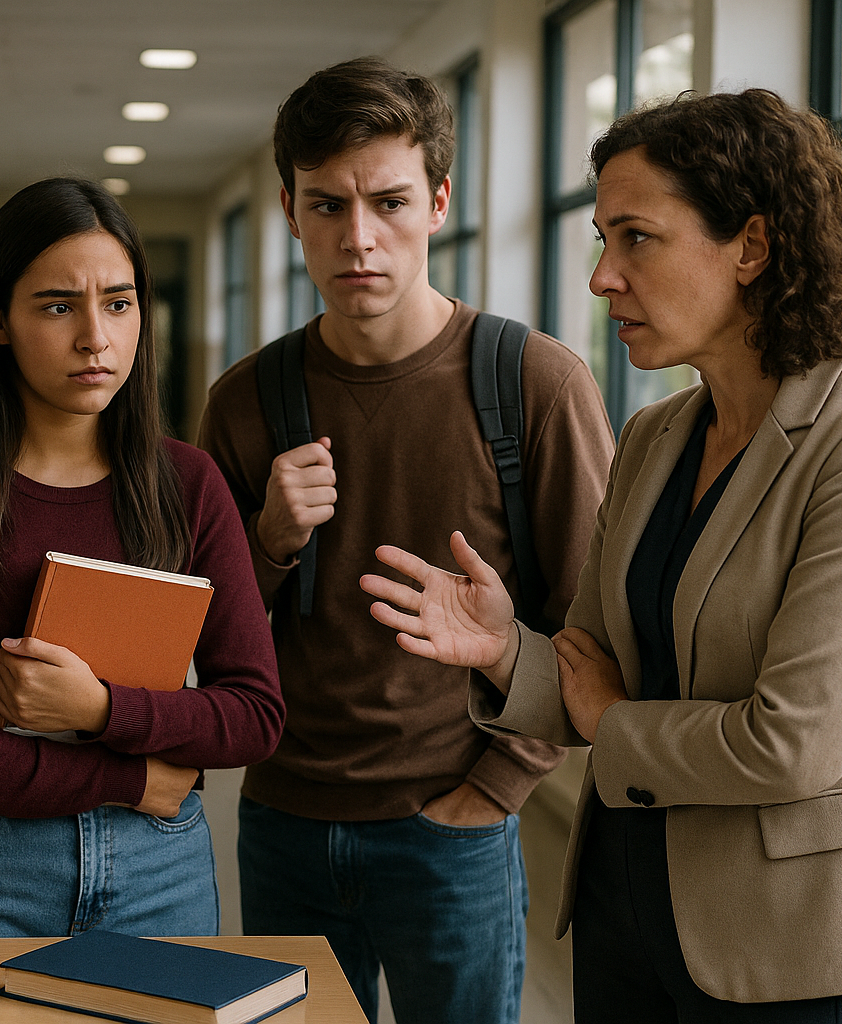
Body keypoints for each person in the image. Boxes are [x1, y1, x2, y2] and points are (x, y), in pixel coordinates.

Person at [361, 88, 842, 1022]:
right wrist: (505, 648)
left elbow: (791, 747)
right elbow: (591, 668)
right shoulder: (655, 434)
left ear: (751, 247)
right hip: (627, 908)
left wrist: (611, 718)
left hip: (798, 940)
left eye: (636, 237)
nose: (604, 276)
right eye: (603, 238)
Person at [197, 57, 615, 1024]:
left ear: (438, 202)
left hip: (454, 828)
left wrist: (496, 791)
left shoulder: (535, 384)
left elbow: (592, 627)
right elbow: (204, 640)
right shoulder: (248, 402)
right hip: (284, 820)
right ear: (291, 212)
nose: (359, 239)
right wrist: (267, 538)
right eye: (326, 206)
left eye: (387, 202)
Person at [0, 177, 283, 940]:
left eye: (119, 303)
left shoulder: (188, 483)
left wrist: (99, 709)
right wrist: (129, 775)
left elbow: (255, 715)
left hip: (161, 868)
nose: (96, 336)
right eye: (59, 306)